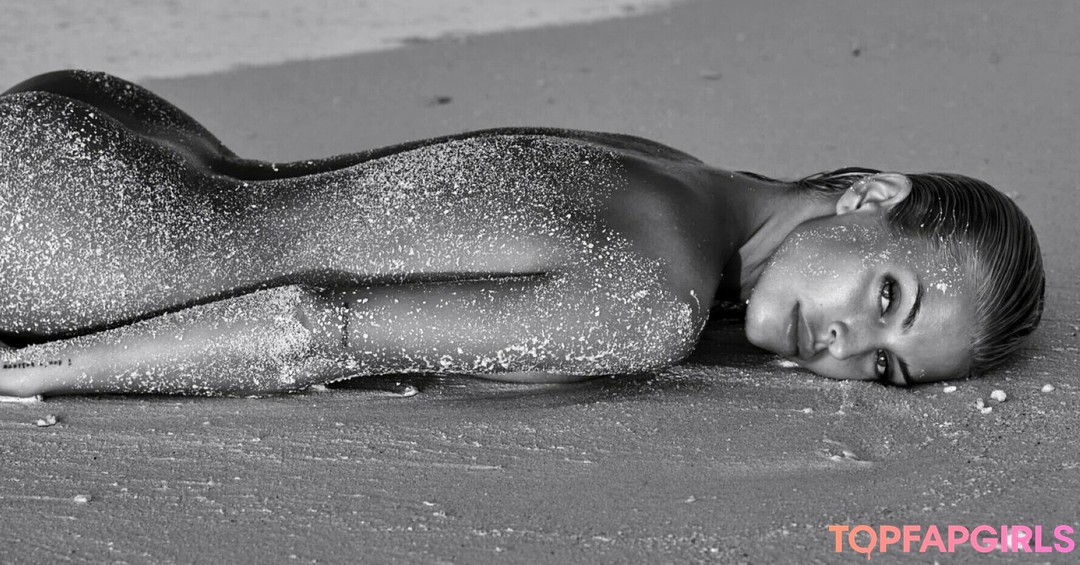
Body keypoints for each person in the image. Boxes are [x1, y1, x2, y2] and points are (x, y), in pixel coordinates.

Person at [0, 70, 1044, 397]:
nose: (847, 345)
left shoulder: (674, 171)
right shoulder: (652, 303)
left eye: (888, 368)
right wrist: (41, 372)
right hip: (85, 242)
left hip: (114, 124)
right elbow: (313, 326)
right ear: (871, 197)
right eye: (888, 298)